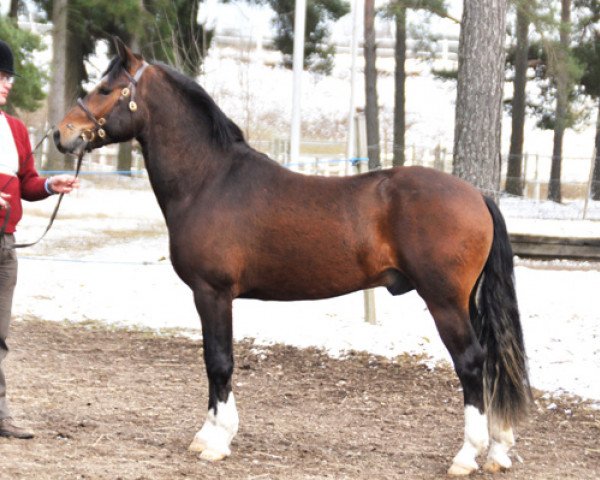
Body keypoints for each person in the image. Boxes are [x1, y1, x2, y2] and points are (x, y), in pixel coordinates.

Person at [0, 39, 79, 439]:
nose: (6, 84)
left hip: (5, 244)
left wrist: (50, 183)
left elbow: (26, 183)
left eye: (8, 76)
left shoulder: (13, 128)